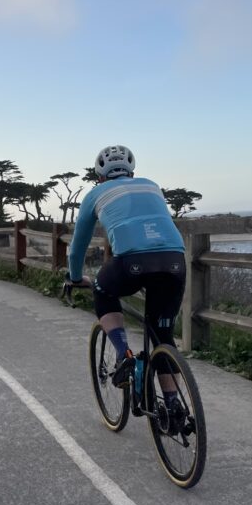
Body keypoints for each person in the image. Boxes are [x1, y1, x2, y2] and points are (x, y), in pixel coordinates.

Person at [66, 145, 187, 425]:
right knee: (162, 336)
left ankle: (124, 355)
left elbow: (77, 248)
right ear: (132, 172)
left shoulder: (95, 194)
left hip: (131, 263)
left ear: (99, 176)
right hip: (174, 261)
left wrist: (74, 277)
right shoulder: (152, 186)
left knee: (102, 288)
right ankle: (172, 405)